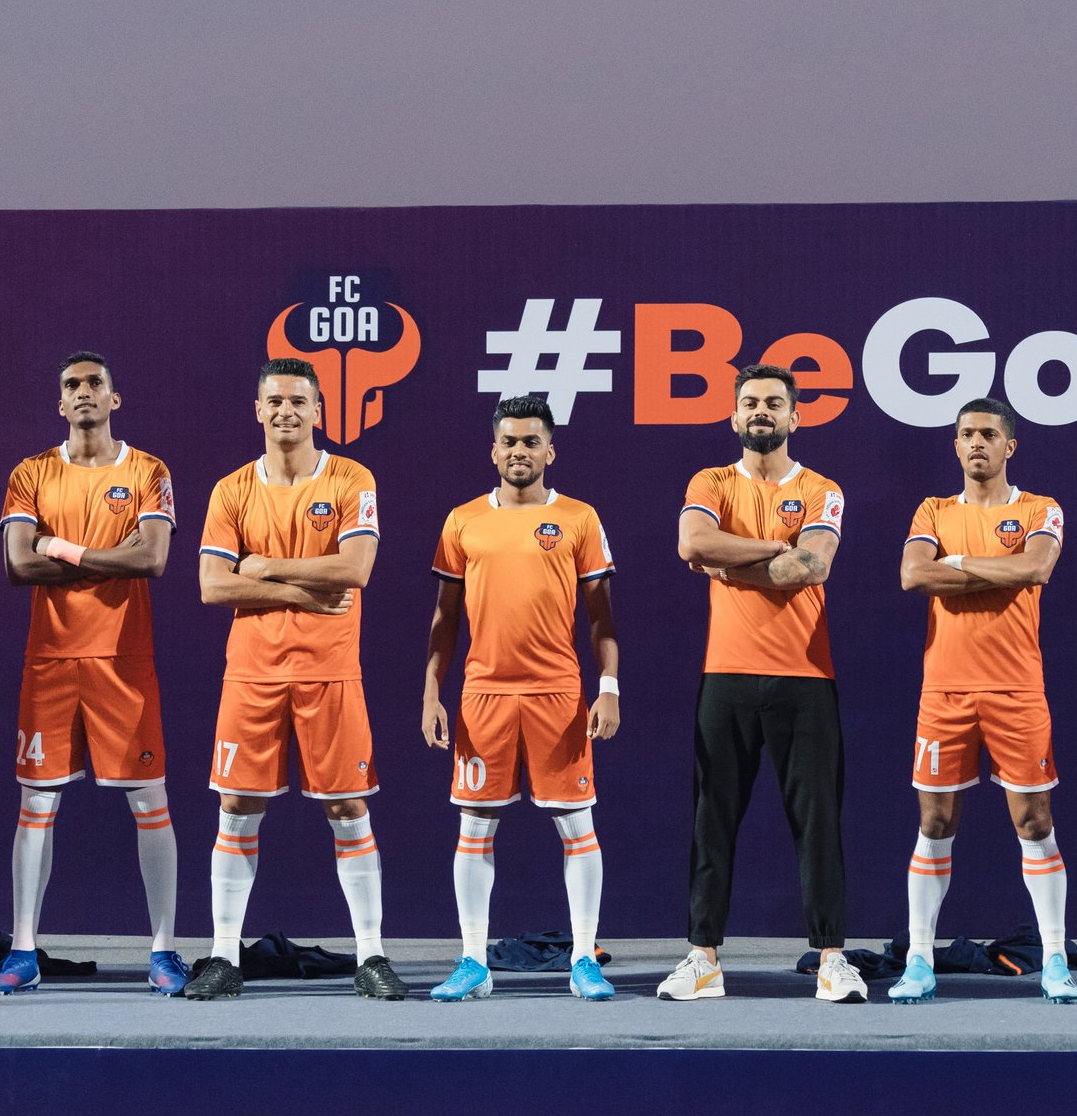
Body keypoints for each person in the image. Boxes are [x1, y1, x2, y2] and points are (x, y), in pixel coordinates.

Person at [182, 357, 408, 1001]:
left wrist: (263, 567)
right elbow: (211, 585)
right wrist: (302, 592)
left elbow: (356, 569)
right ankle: (224, 956)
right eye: (275, 401)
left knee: (348, 808)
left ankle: (371, 955)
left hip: (329, 671)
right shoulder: (231, 490)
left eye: (298, 401)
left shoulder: (351, 478)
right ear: (258, 410)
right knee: (236, 806)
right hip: (252, 673)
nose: (286, 411)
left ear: (318, 411)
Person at [0, 352, 187, 995]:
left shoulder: (148, 470)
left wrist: (61, 547)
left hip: (124, 662)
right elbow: (18, 565)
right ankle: (23, 952)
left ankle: (164, 951)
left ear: (114, 398)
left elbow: (152, 560)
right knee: (36, 804)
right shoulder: (30, 473)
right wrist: (110, 556)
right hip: (50, 661)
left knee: (149, 801)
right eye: (72, 385)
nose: (84, 392)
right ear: (60, 402)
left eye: (95, 383)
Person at [658, 364, 862, 1003]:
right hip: (726, 674)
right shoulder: (710, 481)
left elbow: (812, 565)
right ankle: (703, 959)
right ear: (734, 416)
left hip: (805, 677)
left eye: (774, 403)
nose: (760, 412)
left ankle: (832, 960)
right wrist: (773, 547)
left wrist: (726, 563)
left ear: (795, 417)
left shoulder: (822, 488)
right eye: (750, 403)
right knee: (711, 820)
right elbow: (691, 542)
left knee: (818, 822)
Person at [422, 395, 621, 1003]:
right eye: (509, 441)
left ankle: (583, 959)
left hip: (558, 693)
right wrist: (431, 692)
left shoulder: (580, 518)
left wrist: (608, 687)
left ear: (549, 452)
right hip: (483, 693)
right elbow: (445, 618)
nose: (519, 451)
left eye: (531, 442)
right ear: (493, 450)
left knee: (577, 825)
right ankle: (473, 961)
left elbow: (601, 619)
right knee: (475, 826)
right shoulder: (463, 521)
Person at [890, 397, 1077, 1004]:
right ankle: (919, 960)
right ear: (955, 445)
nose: (977, 442)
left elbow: (1037, 569)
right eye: (967, 434)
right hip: (943, 690)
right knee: (934, 821)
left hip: (1017, 689)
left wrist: (957, 562)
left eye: (988, 434)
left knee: (1035, 822)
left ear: (1009, 446)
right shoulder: (933, 509)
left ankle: (1055, 959)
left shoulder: (1040, 508)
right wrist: (1001, 567)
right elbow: (914, 576)